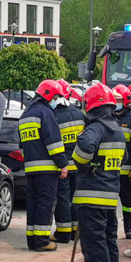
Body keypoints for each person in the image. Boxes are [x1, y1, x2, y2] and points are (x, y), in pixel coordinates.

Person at [70, 84, 126, 262]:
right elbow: (125, 159)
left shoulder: (95, 128)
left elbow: (82, 151)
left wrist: (85, 166)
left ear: (91, 106)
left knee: (94, 243)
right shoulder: (118, 130)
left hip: (91, 196)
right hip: (110, 196)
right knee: (109, 239)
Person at [18, 79, 70, 251]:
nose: (57, 101)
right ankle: (42, 242)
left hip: (30, 169)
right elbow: (53, 142)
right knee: (46, 203)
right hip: (47, 169)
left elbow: (22, 145)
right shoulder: (46, 113)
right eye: (56, 97)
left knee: (33, 203)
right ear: (48, 95)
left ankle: (32, 240)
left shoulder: (26, 114)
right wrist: (63, 164)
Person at [51, 79, 86, 243]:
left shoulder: (53, 116)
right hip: (78, 165)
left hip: (62, 166)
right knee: (75, 199)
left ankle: (63, 233)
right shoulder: (80, 114)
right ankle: (75, 232)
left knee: (63, 200)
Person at [112, 84, 131, 239]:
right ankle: (111, 229)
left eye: (118, 100)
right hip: (109, 170)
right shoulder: (108, 118)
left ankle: (129, 227)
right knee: (110, 201)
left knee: (127, 199)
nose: (116, 103)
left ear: (126, 101)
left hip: (125, 171)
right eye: (114, 99)